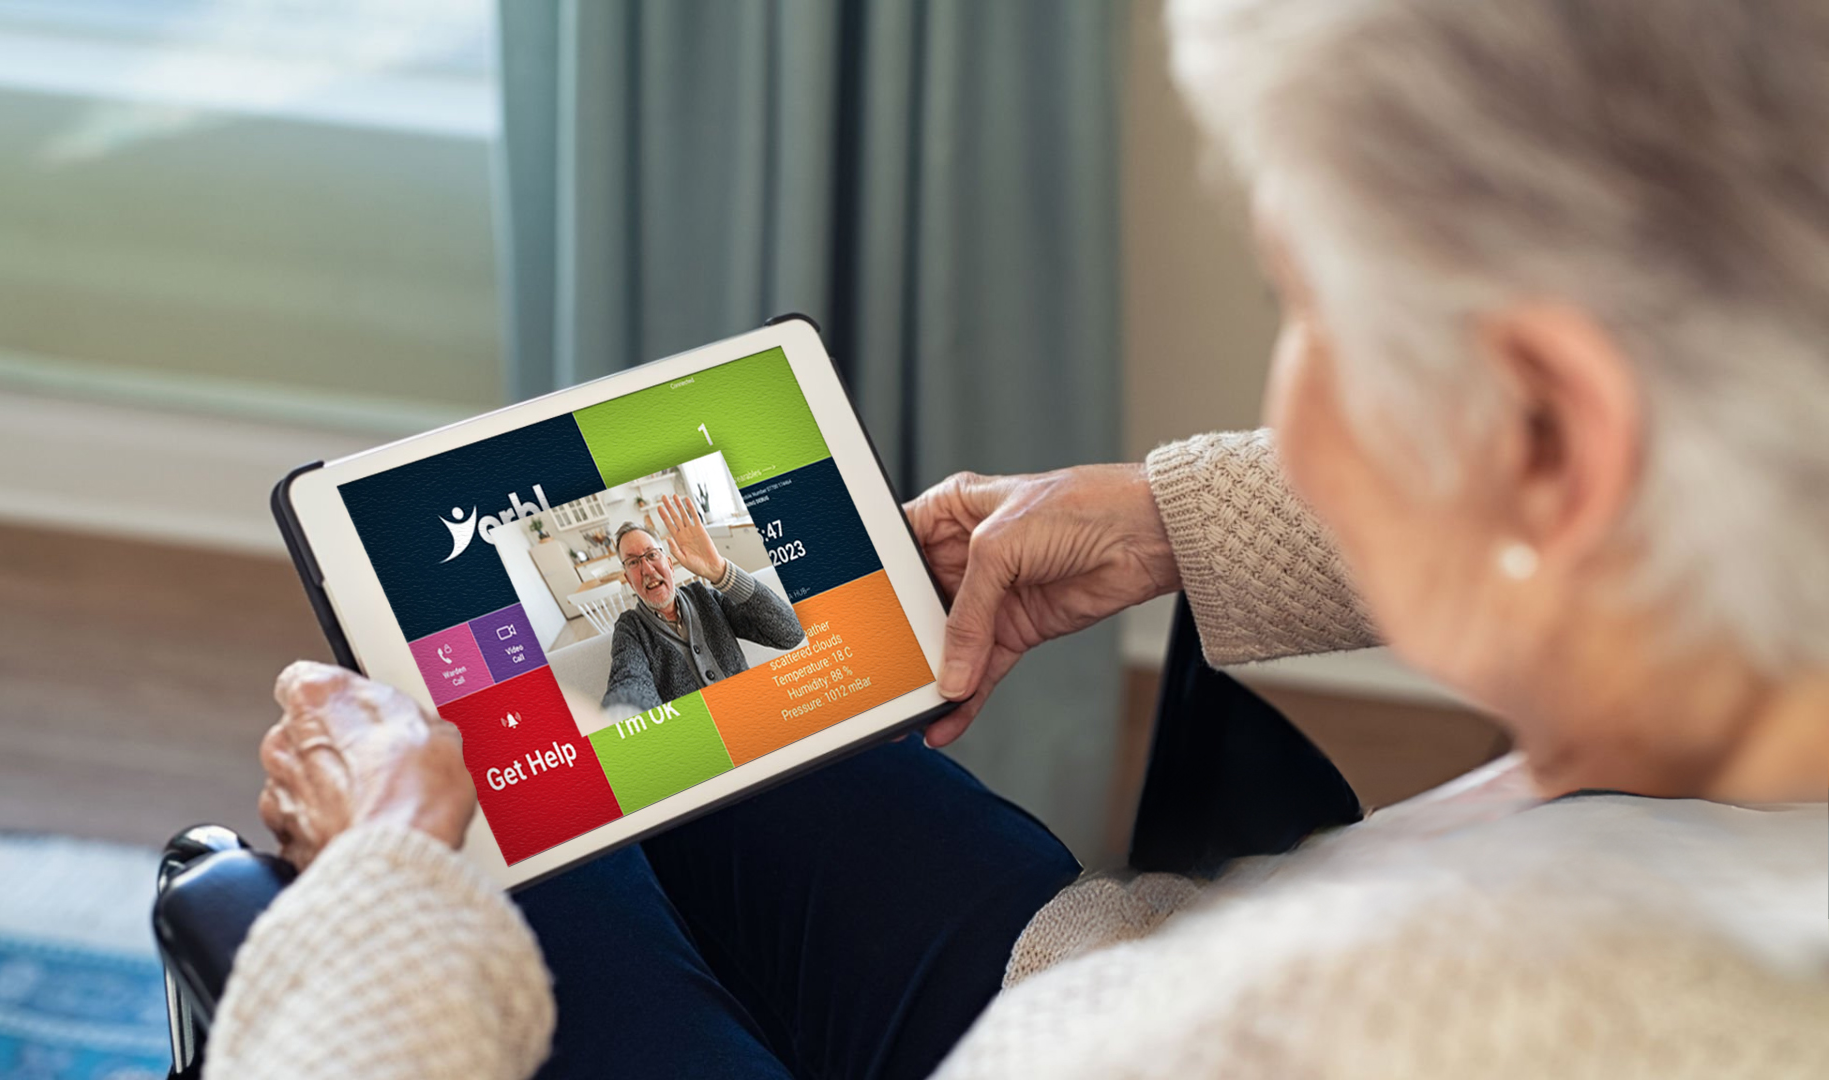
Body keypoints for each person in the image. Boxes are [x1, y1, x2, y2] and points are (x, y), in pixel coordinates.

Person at [213, 1, 1829, 1077]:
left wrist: (380, 903)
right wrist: (1180, 522)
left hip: (1105, 1020)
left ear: (1550, 434)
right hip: (1106, 966)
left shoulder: (1369, 1018)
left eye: (1313, 307)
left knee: (494, 828)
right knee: (679, 725)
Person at [599, 494, 804, 713]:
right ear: (629, 580)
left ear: (669, 564)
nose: (647, 569)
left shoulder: (706, 597)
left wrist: (720, 571)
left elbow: (791, 633)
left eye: (651, 555)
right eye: (633, 562)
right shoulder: (630, 629)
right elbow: (629, 680)